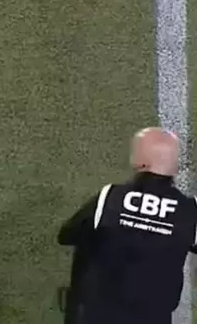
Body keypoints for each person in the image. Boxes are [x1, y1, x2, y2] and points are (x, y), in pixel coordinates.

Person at [57, 127, 197, 324]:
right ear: (175, 167)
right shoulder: (189, 210)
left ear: (138, 161)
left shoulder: (110, 197)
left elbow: (67, 234)